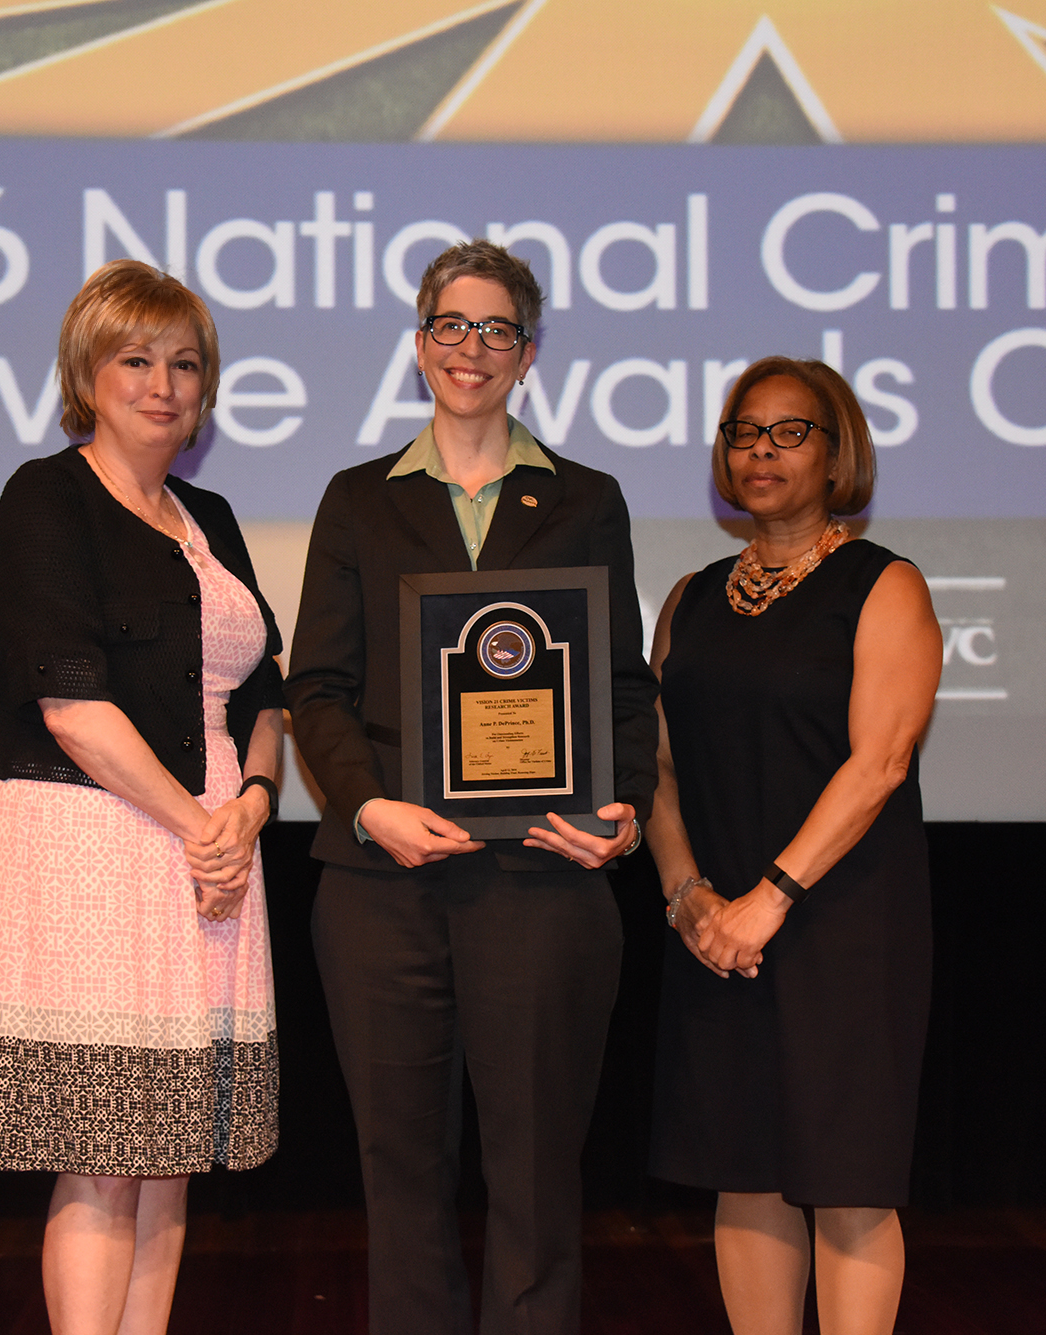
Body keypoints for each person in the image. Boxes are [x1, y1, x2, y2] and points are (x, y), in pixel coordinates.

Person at [285, 240, 658, 1335]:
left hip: (541, 879)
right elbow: (317, 686)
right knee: (399, 1170)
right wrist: (368, 806)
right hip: (382, 884)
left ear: (527, 354)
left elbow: (620, 686)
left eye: (497, 329)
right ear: (419, 345)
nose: (472, 348)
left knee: (536, 1171)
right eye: (451, 325)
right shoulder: (358, 500)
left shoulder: (585, 499)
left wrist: (625, 810)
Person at [0, 260, 285, 1335]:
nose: (163, 385)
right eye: (136, 360)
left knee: (169, 1152)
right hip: (93, 847)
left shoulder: (210, 515)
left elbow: (265, 691)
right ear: (86, 374)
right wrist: (205, 829)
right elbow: (71, 705)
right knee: (102, 1155)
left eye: (184, 364)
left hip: (210, 848)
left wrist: (253, 806)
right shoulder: (46, 497)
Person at [645, 357, 941, 1335]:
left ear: (835, 452)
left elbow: (880, 761)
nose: (760, 450)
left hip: (840, 924)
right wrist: (688, 898)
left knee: (848, 1179)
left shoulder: (882, 584)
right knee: (743, 1171)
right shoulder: (690, 598)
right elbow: (655, 768)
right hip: (716, 931)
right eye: (743, 432)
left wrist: (768, 898)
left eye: (788, 432)